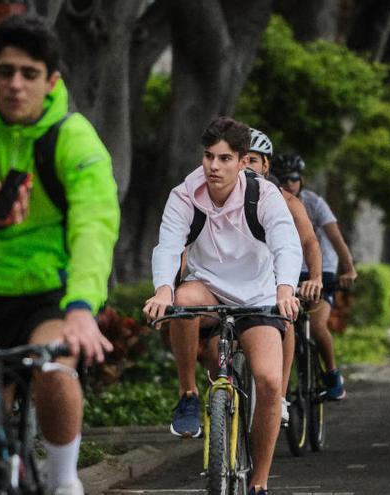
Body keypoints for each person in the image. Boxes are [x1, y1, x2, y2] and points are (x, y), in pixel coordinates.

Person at [0, 14, 120, 495]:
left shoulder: (73, 139)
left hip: (51, 295)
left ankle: (64, 477)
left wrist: (80, 309)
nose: (15, 85)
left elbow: (95, 226)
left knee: (54, 368)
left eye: (29, 73)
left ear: (51, 80)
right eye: (5, 72)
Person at [144, 117, 302, 495]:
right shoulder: (185, 194)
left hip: (259, 296)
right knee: (182, 301)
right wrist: (163, 290)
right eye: (208, 156)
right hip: (209, 289)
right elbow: (167, 246)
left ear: (243, 160)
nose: (213, 166)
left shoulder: (264, 195)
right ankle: (187, 395)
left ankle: (260, 483)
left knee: (267, 382)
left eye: (224, 158)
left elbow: (286, 244)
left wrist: (285, 289)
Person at [245, 129, 323, 424]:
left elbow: (309, 242)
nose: (246, 166)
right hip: (241, 282)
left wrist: (314, 277)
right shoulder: (220, 196)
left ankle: (278, 396)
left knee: (286, 318)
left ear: (266, 166)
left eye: (253, 160)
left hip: (280, 280)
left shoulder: (287, 201)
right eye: (241, 159)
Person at [270, 154, 357, 401]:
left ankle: (331, 374)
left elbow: (336, 238)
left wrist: (348, 269)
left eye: (294, 178)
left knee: (317, 325)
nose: (289, 184)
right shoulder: (269, 200)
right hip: (287, 272)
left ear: (302, 179)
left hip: (319, 271)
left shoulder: (315, 203)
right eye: (283, 179)